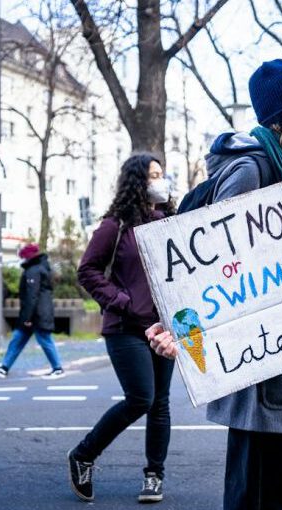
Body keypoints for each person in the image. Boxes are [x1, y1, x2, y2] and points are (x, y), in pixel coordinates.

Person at [147, 59, 282, 510]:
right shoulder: (253, 169)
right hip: (265, 366)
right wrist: (179, 326)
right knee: (265, 488)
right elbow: (212, 261)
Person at [66, 154, 176, 504]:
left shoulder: (169, 221)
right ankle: (84, 454)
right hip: (126, 327)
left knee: (160, 403)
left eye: (161, 174)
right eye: (151, 176)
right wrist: (122, 300)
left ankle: (154, 476)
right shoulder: (114, 226)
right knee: (141, 398)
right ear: (135, 182)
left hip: (163, 328)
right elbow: (87, 271)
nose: (159, 181)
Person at [0, 244, 64, 380]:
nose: (21, 260)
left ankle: (57, 368)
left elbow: (31, 296)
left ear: (28, 257)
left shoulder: (33, 271)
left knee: (43, 339)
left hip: (36, 314)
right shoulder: (41, 268)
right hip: (39, 312)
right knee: (18, 339)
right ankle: (4, 367)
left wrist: (27, 318)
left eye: (22, 257)